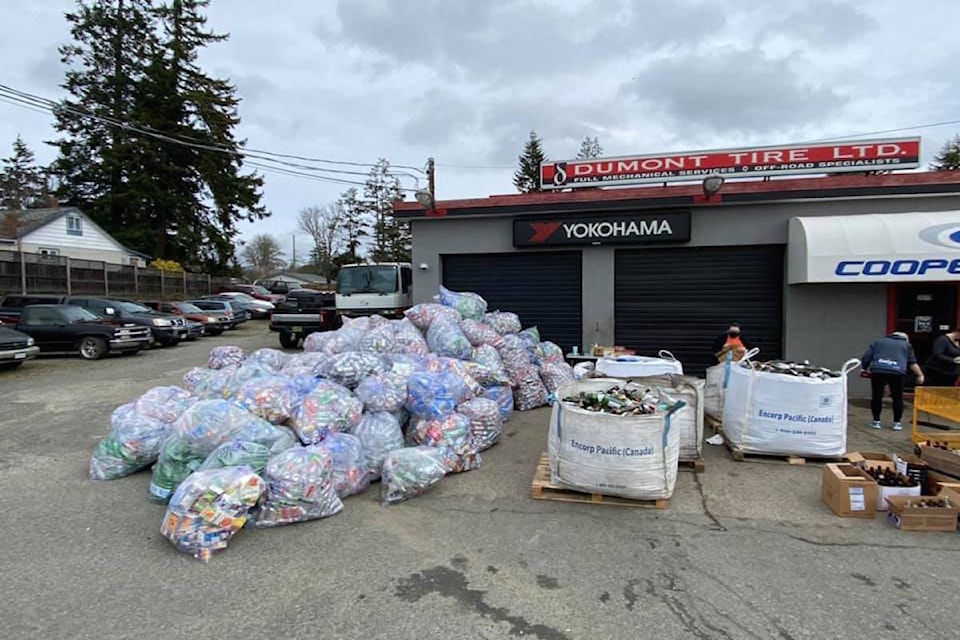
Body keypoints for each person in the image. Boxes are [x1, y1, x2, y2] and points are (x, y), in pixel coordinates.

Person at [861, 331, 924, 431]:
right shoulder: (906, 345)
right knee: (897, 397)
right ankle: (897, 423)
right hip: (897, 372)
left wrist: (864, 368)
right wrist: (920, 375)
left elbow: (866, 356)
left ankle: (876, 422)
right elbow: (912, 362)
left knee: (877, 396)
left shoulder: (878, 342)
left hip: (878, 370)